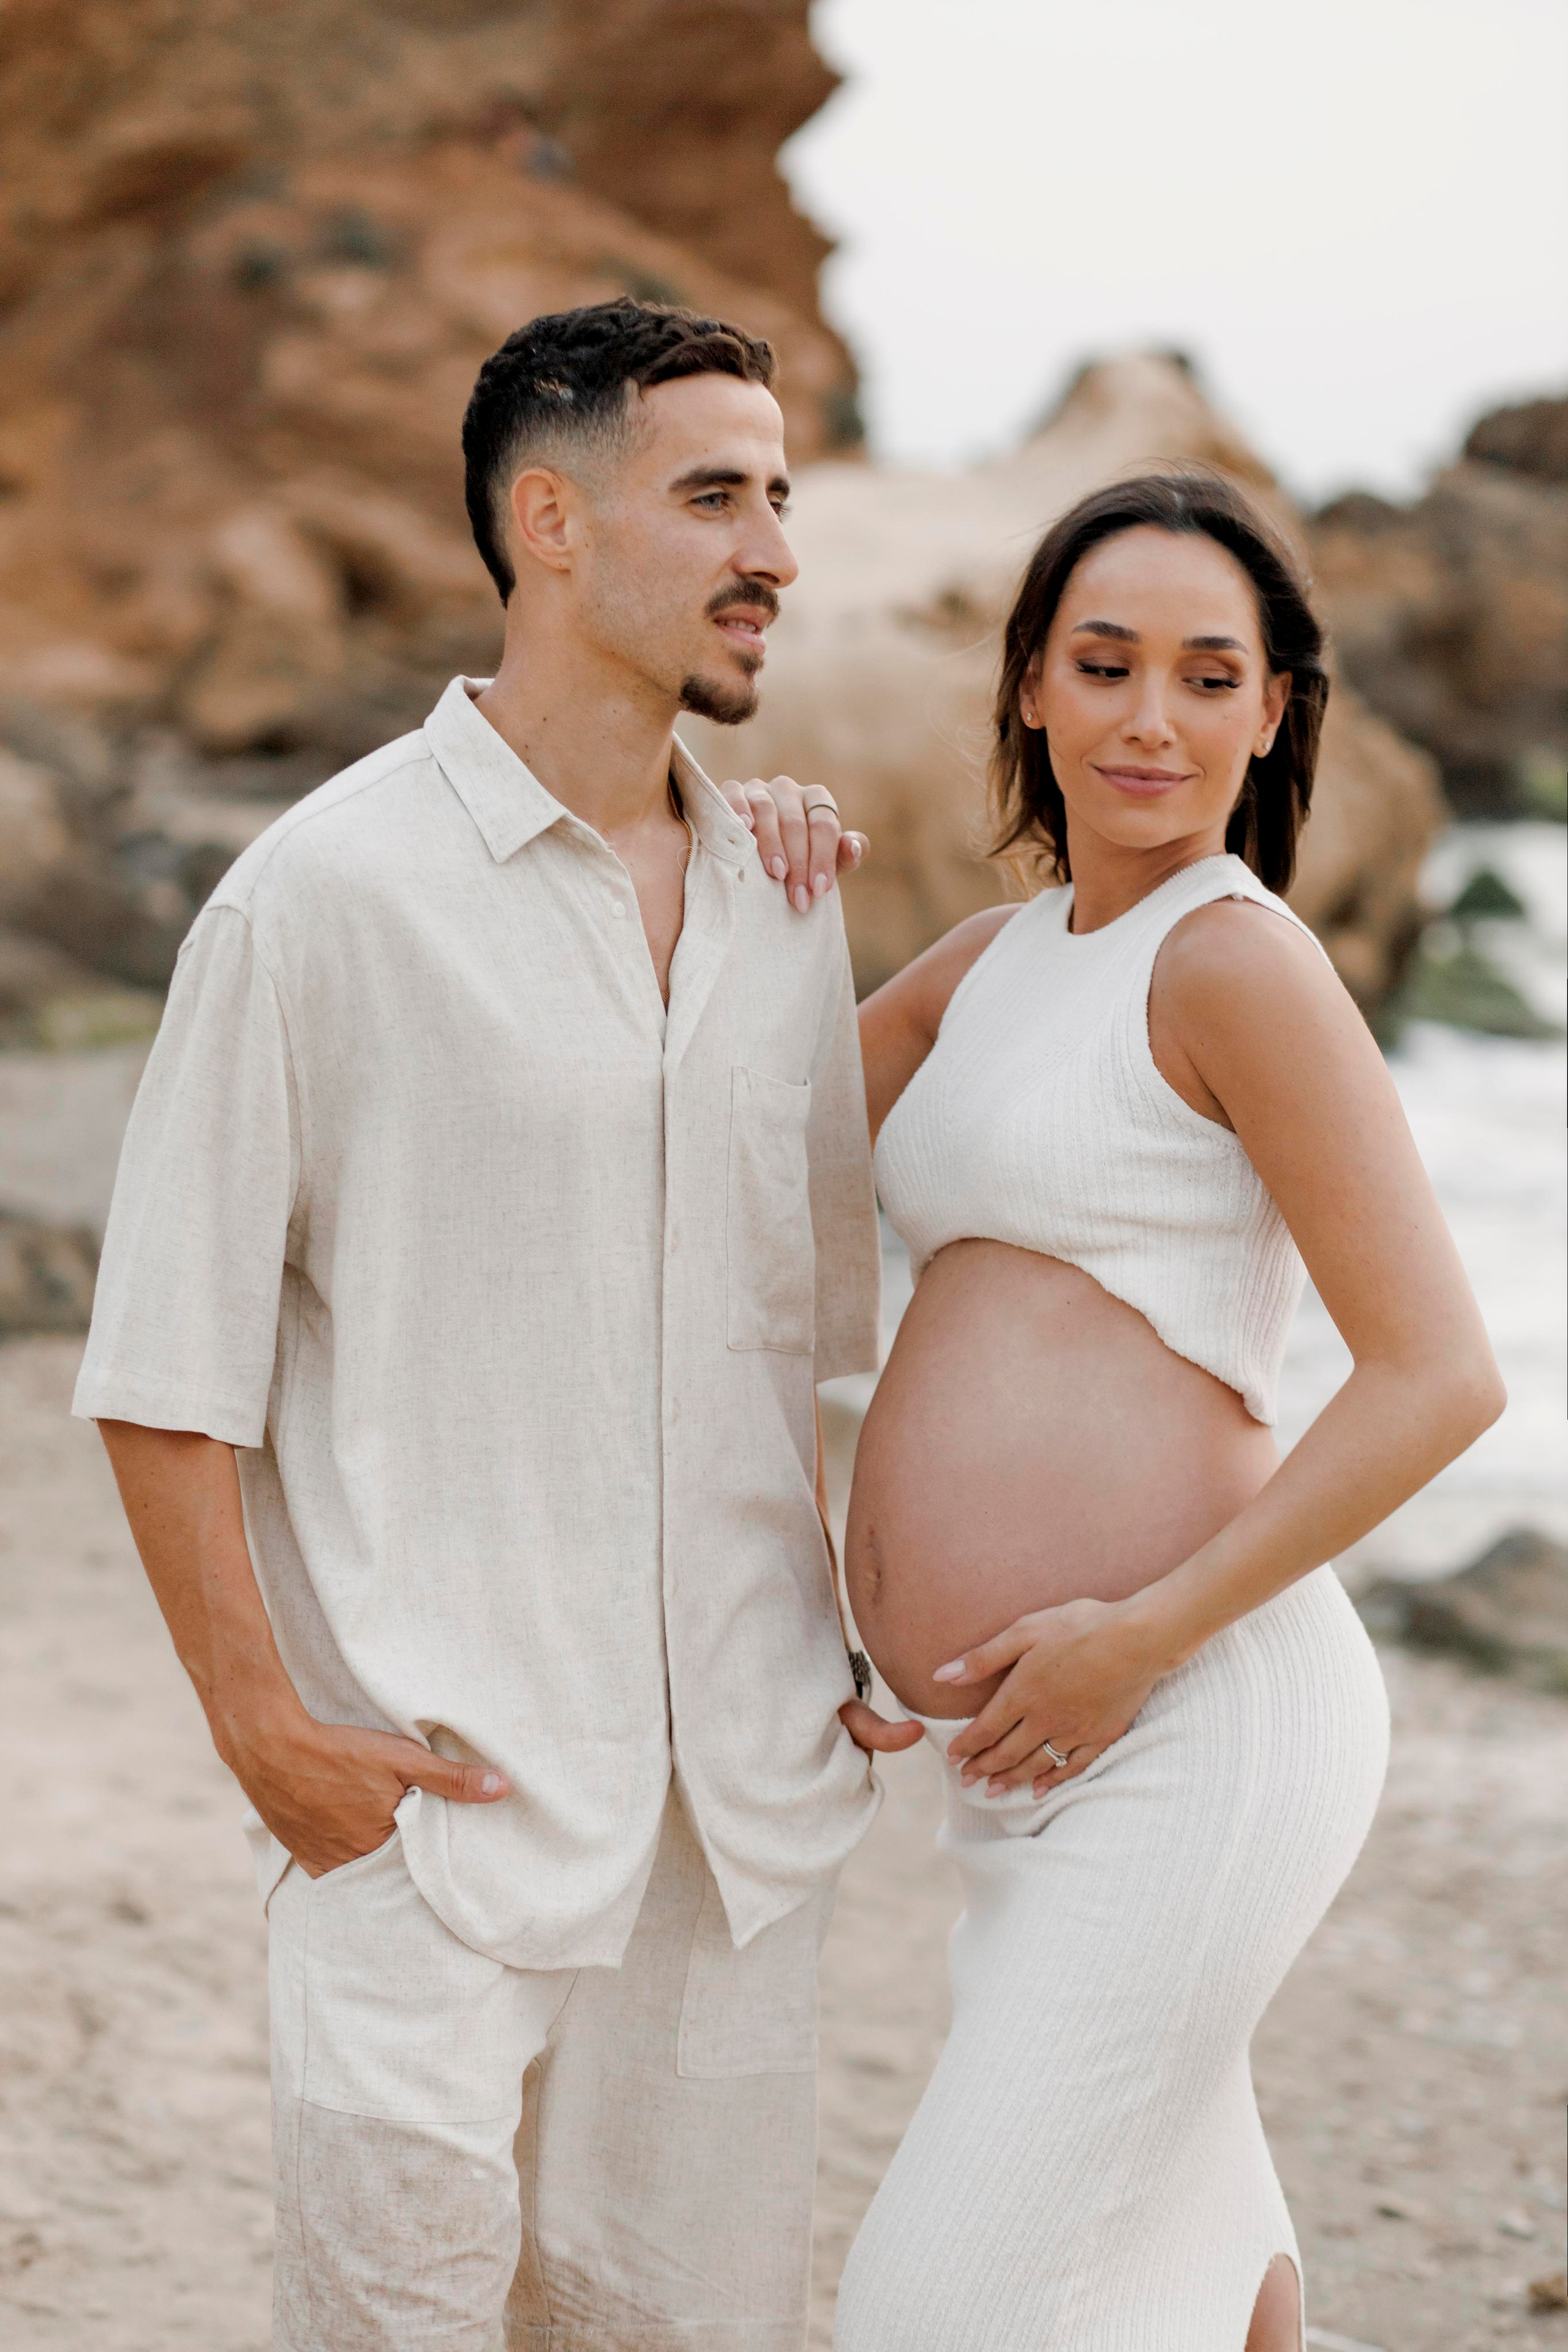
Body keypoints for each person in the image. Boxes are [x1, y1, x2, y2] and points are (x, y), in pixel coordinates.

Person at [74, 297, 921, 2352]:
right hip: (428, 1811)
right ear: (549, 521)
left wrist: (859, 1629)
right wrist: (267, 1734)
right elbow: (165, 1369)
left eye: (780, 501)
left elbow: (796, 1342)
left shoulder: (781, 905)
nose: (774, 555)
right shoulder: (319, 900)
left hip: (730, 1833)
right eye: (712, 497)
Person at [735, 469, 1504, 2352]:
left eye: (1207, 676)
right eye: (1104, 664)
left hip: (1190, 1719)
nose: (1151, 718)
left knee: (937, 2310)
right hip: (1031, 1751)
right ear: (1030, 685)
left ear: (1273, 711)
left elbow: (1440, 1376)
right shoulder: (992, 967)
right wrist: (743, 888)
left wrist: (1137, 1641)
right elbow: (727, 1150)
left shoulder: (1235, 964)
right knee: (1192, 2274)